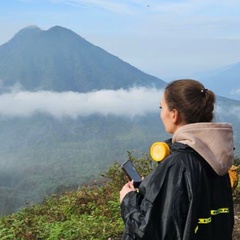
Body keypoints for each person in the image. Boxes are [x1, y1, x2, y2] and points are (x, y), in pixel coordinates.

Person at [120, 79, 234, 240]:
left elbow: (151, 233)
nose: (161, 114)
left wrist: (128, 200)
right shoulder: (217, 157)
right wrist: (155, 185)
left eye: (162, 107)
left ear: (174, 114)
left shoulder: (178, 163)